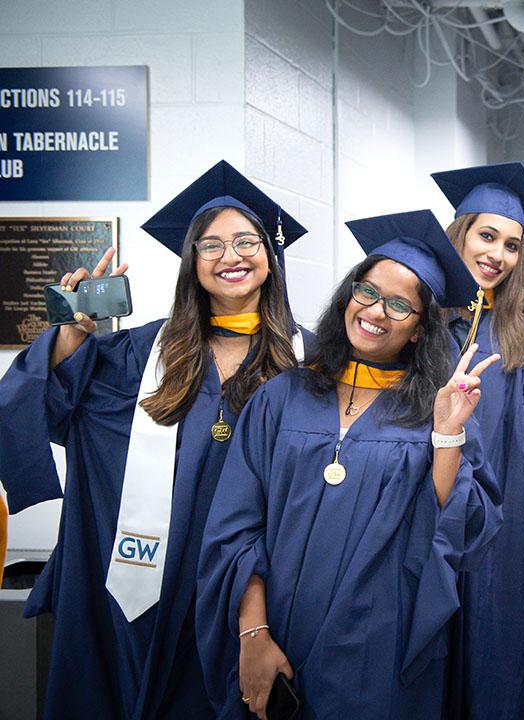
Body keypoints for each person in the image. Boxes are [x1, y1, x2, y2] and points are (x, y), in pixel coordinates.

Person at [0, 160, 310, 719]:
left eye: (246, 241)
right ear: (191, 262)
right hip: (152, 581)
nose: (231, 256)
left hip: (258, 587)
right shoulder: (142, 354)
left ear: (270, 255)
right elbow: (56, 409)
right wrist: (71, 333)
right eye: (211, 245)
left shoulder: (310, 361)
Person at [196, 210, 503, 719]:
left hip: (377, 647)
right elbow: (235, 525)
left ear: (420, 330)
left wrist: (447, 435)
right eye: (368, 292)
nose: (376, 311)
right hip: (276, 635)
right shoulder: (281, 397)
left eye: (399, 305)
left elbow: (460, 530)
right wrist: (253, 634)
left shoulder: (439, 410)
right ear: (349, 296)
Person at [430, 163, 524, 719]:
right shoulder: (420, 324)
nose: (498, 254)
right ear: (460, 234)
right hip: (422, 515)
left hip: (501, 533)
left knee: (493, 658)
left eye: (512, 245)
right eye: (487, 236)